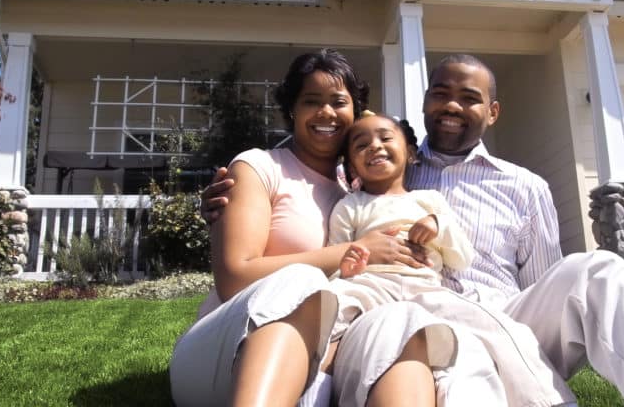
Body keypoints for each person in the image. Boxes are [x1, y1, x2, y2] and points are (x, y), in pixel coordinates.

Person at [203, 53, 624, 407]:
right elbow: (309, 199)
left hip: (508, 319)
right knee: (440, 349)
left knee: (597, 270)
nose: (452, 106)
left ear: (492, 112)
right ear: (421, 107)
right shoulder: (385, 164)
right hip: (407, 320)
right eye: (440, 94)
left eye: (469, 98)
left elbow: (545, 286)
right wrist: (227, 202)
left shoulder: (526, 186)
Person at [169, 49, 466, 407]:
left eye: (339, 102)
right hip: (229, 353)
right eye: (312, 101)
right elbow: (234, 278)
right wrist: (354, 252)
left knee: (401, 324)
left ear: (355, 112)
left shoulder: (355, 196)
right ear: (292, 109)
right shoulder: (259, 167)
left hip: (321, 353)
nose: (326, 112)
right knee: (301, 283)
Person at [326, 112, 576, 407]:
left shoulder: (429, 201)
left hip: (424, 289)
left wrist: (438, 226)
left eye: (385, 137)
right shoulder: (349, 206)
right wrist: (351, 264)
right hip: (371, 285)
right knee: (325, 312)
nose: (374, 146)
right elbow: (338, 256)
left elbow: (461, 257)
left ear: (409, 153)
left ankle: (547, 400)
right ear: (351, 165)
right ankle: (308, 385)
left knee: (498, 327)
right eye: (361, 145)